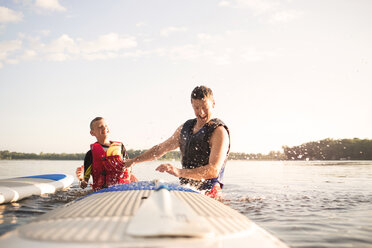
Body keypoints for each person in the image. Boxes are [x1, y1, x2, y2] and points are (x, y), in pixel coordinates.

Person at [124, 86, 230, 199]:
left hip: (210, 192)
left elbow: (213, 170)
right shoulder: (185, 129)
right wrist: (134, 161)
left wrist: (179, 172)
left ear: (213, 104)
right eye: (197, 107)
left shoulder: (218, 132)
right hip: (187, 189)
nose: (201, 112)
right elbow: (160, 149)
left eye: (205, 107)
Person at [76, 117, 137, 191]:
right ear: (92, 133)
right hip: (100, 192)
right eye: (100, 127)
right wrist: (81, 178)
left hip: (122, 189)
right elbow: (84, 185)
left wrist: (133, 179)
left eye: (105, 126)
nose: (104, 128)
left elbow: (129, 169)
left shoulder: (120, 148)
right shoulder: (90, 154)